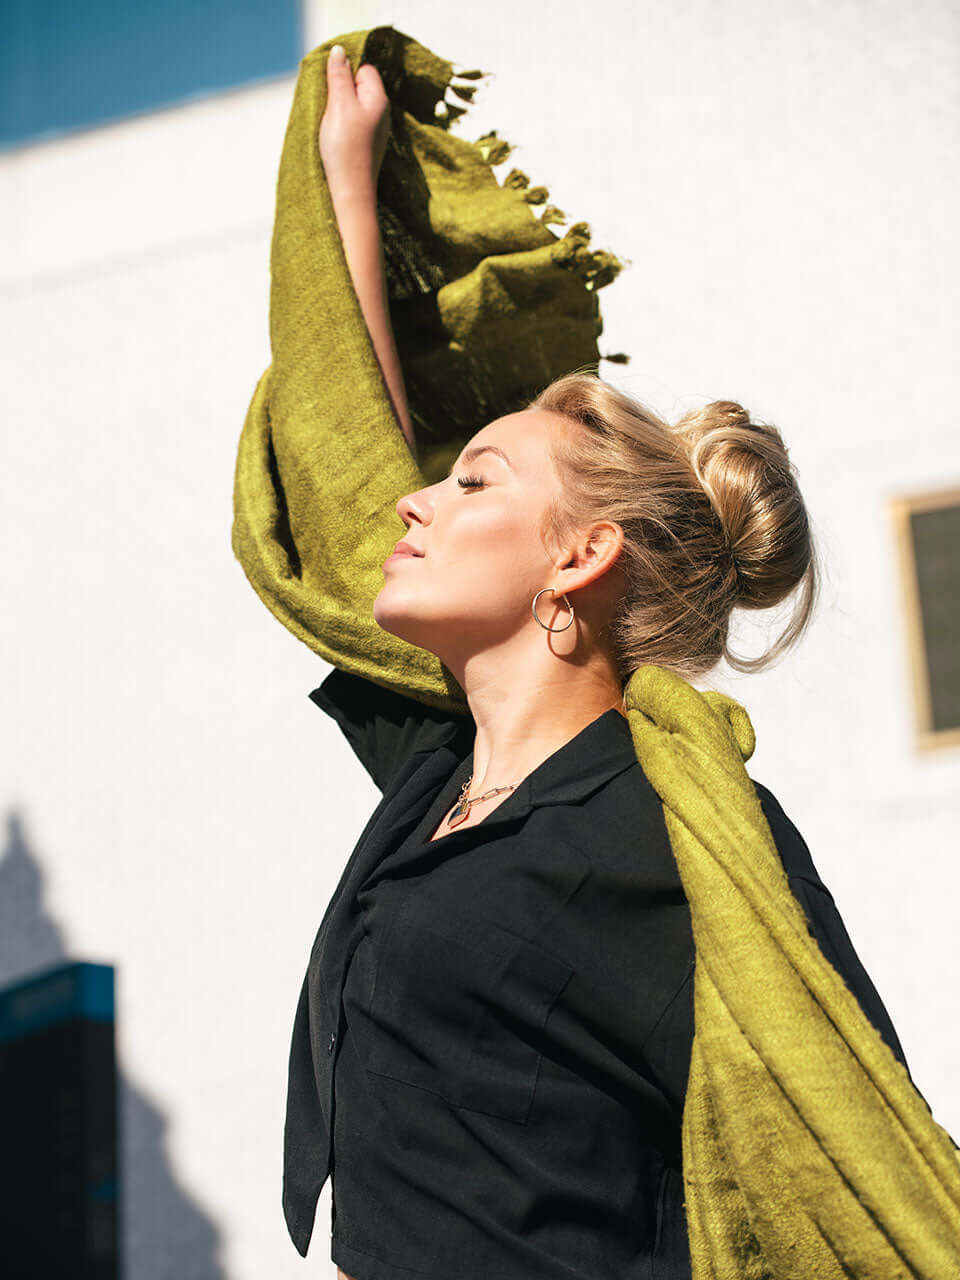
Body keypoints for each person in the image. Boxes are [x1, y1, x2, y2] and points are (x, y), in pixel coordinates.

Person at [274, 43, 913, 1280]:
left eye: (474, 481)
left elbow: (855, 1154)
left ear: (580, 556)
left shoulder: (671, 833)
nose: (419, 499)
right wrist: (347, 183)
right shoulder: (440, 777)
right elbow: (346, 469)